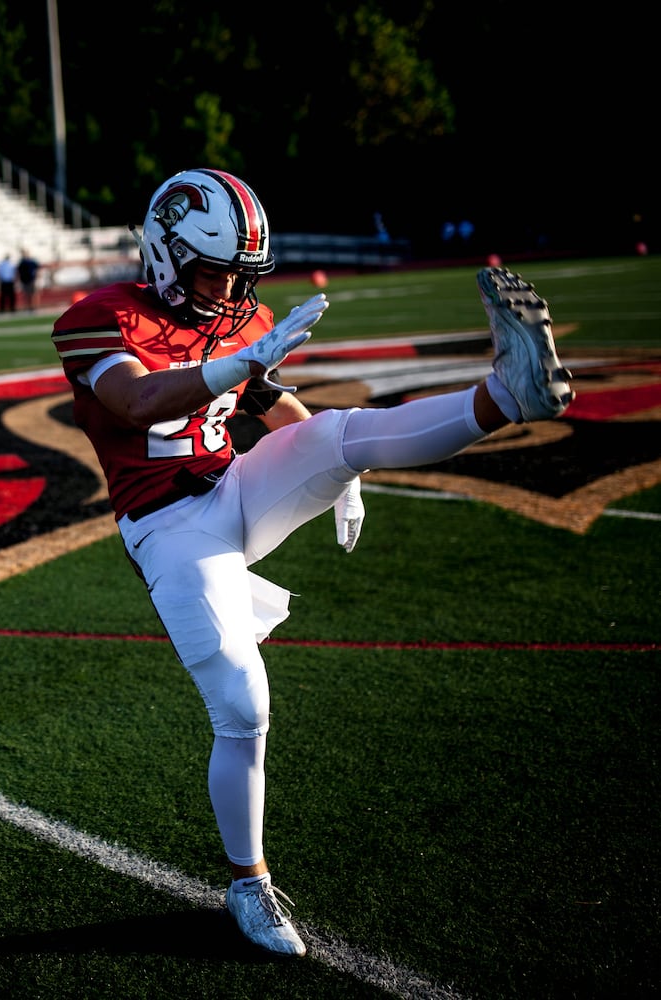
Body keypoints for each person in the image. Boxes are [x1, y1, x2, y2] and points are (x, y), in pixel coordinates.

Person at [50, 167, 574, 958]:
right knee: (243, 705)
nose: (229, 290)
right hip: (167, 527)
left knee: (338, 432)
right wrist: (236, 364)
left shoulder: (236, 317)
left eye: (240, 275)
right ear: (163, 250)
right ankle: (247, 880)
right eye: (214, 270)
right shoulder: (100, 317)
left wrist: (337, 468)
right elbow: (136, 402)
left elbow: (274, 410)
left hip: (233, 487)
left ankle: (507, 394)